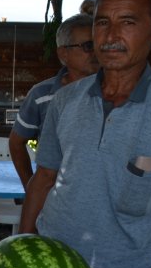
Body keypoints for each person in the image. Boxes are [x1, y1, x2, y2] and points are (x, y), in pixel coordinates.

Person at [19, 0, 151, 268]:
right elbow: (44, 178)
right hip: (53, 265)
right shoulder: (66, 99)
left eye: (128, 22)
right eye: (102, 22)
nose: (111, 36)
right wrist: (21, 250)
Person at [9, 13, 98, 189]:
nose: (96, 52)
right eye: (88, 46)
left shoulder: (115, 93)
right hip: (54, 197)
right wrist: (31, 188)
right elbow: (16, 142)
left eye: (99, 45)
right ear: (64, 53)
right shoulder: (42, 94)